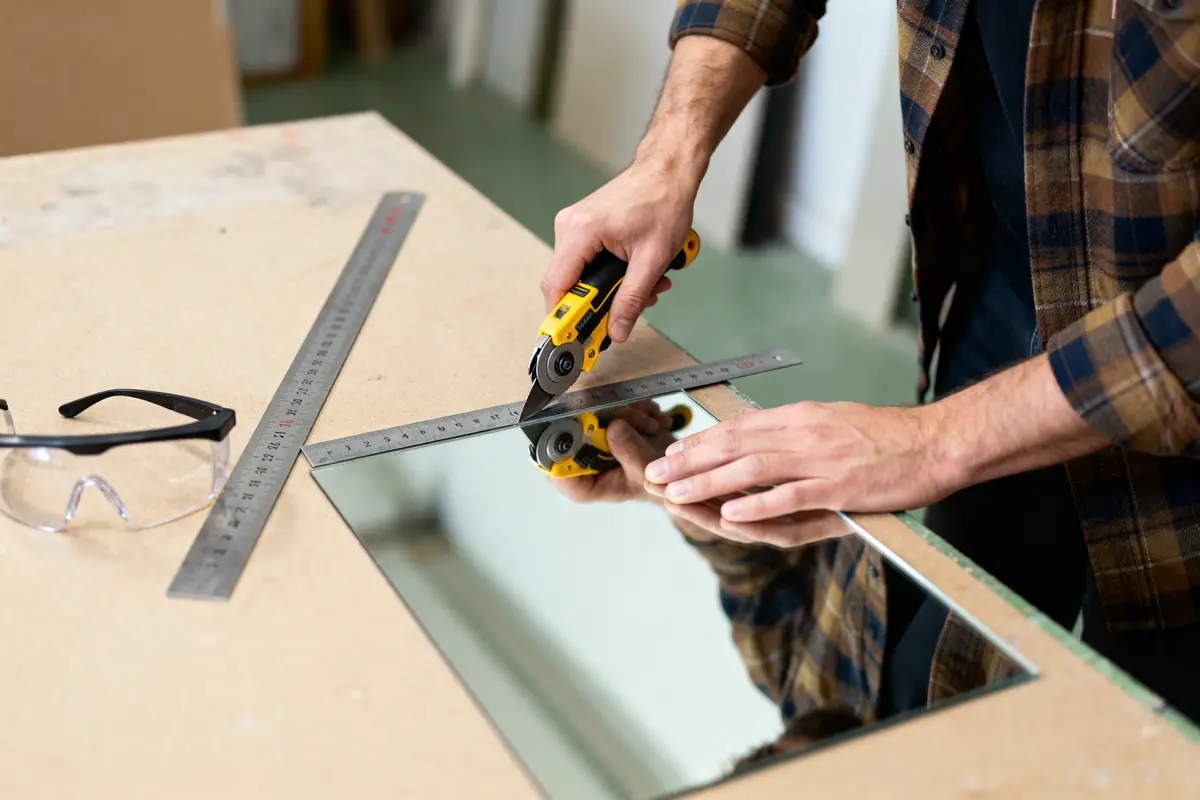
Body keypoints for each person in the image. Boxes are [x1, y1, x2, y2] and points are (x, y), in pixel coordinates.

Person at [541, 2, 1200, 723]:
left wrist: (936, 442)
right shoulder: (839, 709)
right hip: (1010, 277)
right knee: (933, 665)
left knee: (1158, 719)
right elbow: (827, 694)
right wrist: (667, 156)